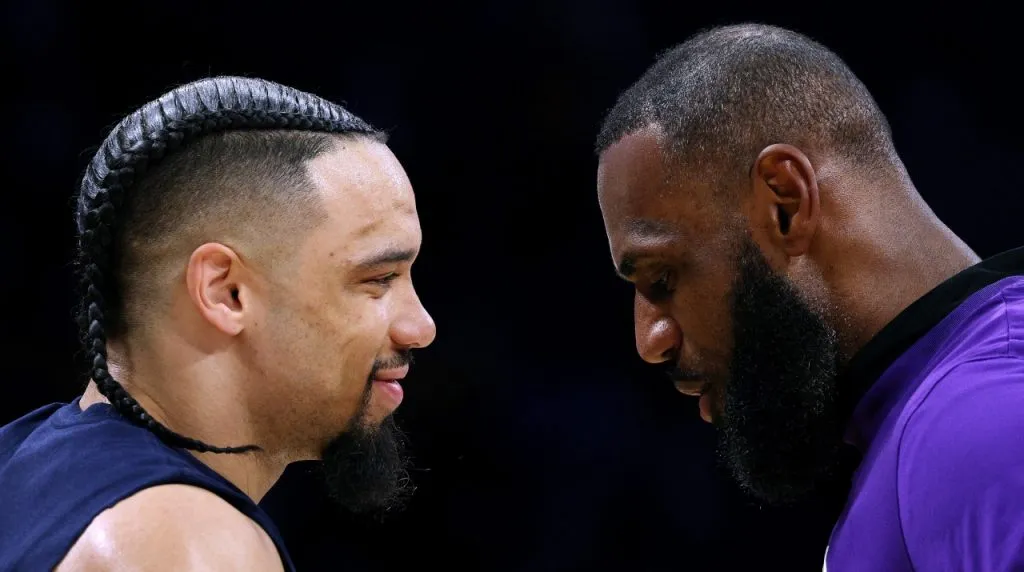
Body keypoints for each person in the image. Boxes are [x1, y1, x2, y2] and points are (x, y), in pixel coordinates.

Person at [595, 23, 1024, 571]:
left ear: (786, 203)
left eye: (663, 279)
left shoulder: (981, 426)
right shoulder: (928, 421)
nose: (649, 341)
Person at [0, 76, 436, 571]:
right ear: (225, 292)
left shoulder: (15, 465)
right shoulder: (190, 545)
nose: (421, 327)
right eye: (378, 279)